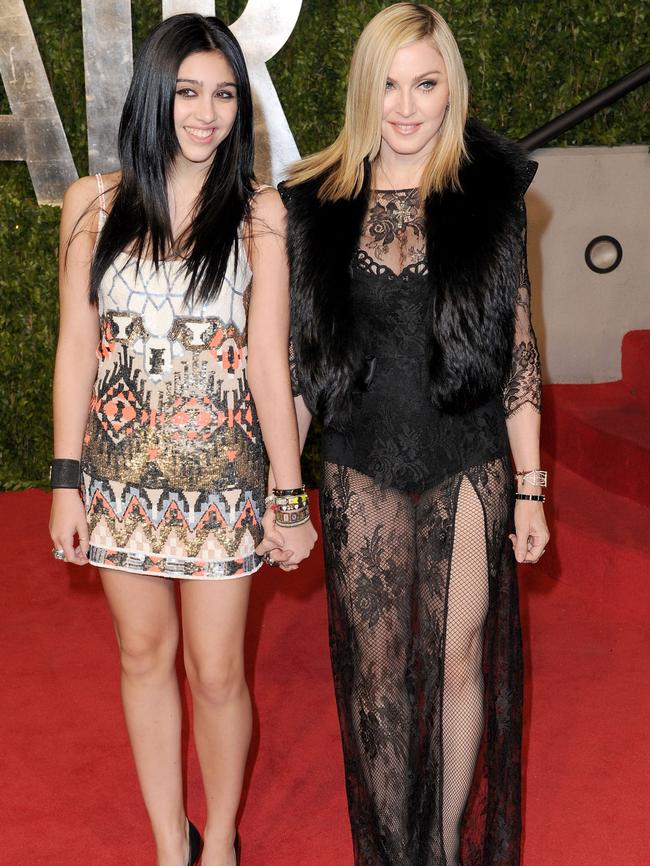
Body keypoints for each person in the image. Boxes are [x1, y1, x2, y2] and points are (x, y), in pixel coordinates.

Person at [279, 4, 550, 865]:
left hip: (468, 461)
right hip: (360, 463)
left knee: (460, 656)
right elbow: (299, 371)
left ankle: (439, 848)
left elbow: (518, 354)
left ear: (450, 89)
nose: (405, 106)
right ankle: (393, 849)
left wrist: (533, 487)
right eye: (389, 84)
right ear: (366, 90)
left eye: (425, 83)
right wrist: (287, 494)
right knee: (379, 671)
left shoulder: (491, 202)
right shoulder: (314, 206)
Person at [49, 13, 315, 866]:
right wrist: (64, 479)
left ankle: (223, 837)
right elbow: (77, 348)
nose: (206, 113)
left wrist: (287, 492)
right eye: (189, 92)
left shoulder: (261, 215)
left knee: (217, 672)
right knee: (141, 654)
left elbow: (270, 362)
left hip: (227, 481)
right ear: (155, 97)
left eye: (225, 95)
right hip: (120, 479)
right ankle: (172, 843)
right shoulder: (91, 203)